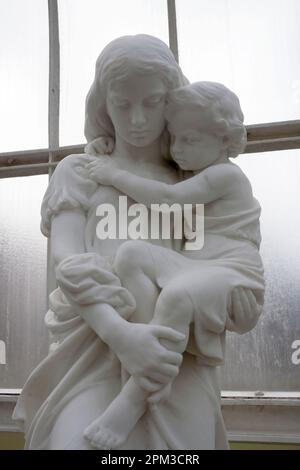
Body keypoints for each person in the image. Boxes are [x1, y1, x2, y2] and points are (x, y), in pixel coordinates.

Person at [13, 36, 263, 450]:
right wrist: (124, 338)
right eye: (122, 104)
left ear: (175, 101)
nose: (138, 119)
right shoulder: (81, 170)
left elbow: (231, 269)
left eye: (153, 102)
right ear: (102, 104)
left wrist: (238, 304)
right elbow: (68, 261)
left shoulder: (194, 178)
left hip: (179, 363)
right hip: (94, 353)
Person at [83, 81, 265, 449]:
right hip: (196, 267)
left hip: (232, 273)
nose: (178, 149)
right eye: (175, 138)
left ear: (225, 140)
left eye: (190, 140)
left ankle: (136, 395)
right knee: (131, 254)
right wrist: (101, 146)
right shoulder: (193, 169)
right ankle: (152, 346)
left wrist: (111, 174)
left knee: (179, 295)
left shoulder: (224, 175)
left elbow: (167, 198)